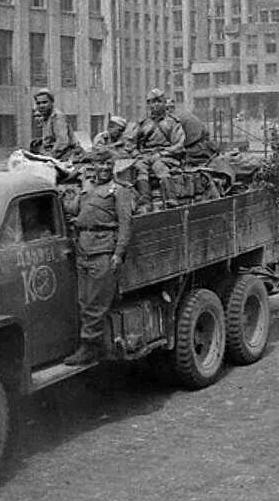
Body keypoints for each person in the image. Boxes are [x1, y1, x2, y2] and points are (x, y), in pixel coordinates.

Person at [63, 153, 134, 366]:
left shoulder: (119, 191)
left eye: (107, 164)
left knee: (95, 304)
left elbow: (125, 223)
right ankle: (96, 345)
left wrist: (118, 253)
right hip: (84, 249)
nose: (103, 168)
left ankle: (90, 348)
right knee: (84, 301)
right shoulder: (88, 188)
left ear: (112, 167)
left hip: (103, 251)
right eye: (99, 164)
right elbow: (75, 210)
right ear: (93, 166)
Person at [125, 89, 186, 209]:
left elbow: (179, 144)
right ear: (148, 105)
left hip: (166, 157)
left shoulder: (172, 123)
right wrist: (137, 154)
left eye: (159, 101)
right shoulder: (142, 123)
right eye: (152, 102)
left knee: (159, 167)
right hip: (145, 156)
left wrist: (163, 154)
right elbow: (131, 143)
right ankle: (145, 201)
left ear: (164, 103)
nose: (155, 105)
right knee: (140, 168)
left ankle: (170, 198)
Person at [31, 88, 78, 162]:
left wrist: (48, 158)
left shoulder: (57, 117)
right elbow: (51, 138)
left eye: (45, 102)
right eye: (38, 103)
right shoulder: (46, 117)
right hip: (55, 154)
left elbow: (62, 142)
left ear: (52, 102)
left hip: (66, 156)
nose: (41, 105)